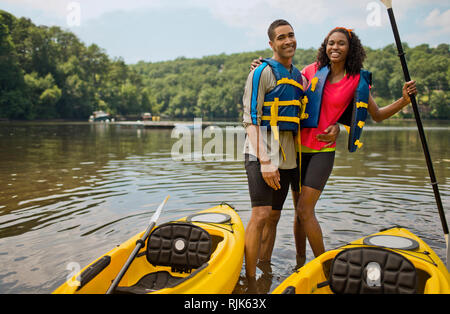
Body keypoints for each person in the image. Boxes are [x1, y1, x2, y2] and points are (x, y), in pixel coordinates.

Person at [251, 27, 417, 264]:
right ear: (325, 46)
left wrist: (404, 100)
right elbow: (284, 85)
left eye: (341, 44)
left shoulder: (357, 80)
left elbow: (377, 114)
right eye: (331, 43)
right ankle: (300, 263)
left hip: (322, 151)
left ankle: (326, 267)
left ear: (351, 49)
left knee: (305, 210)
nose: (335, 48)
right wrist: (260, 66)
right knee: (299, 214)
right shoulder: (311, 71)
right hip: (295, 150)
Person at [242, 19, 339, 281]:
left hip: (288, 157)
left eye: (291, 35)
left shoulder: (298, 77)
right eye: (282, 37)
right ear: (271, 43)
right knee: (260, 214)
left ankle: (264, 267)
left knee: (273, 217)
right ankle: (251, 281)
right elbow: (250, 119)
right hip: (261, 152)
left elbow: (321, 108)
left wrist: (338, 128)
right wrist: (265, 161)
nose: (288, 41)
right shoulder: (261, 72)